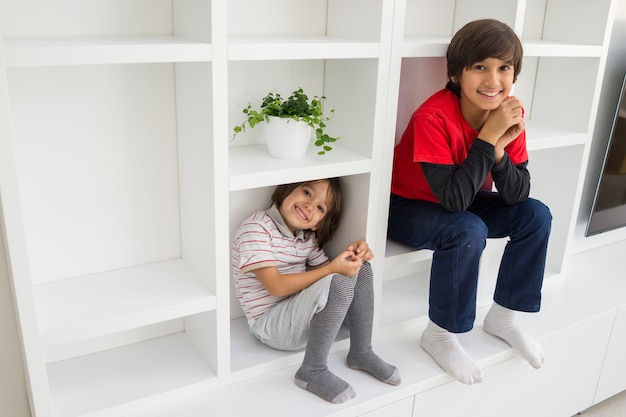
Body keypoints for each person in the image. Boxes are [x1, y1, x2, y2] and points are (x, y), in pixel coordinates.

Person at [388, 19, 552, 385]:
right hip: (405, 206)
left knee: (535, 215)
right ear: (456, 74)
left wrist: (497, 152)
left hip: (459, 201)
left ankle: (503, 318)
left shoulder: (511, 115)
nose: (493, 80)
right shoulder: (433, 117)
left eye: (504, 68)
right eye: (480, 67)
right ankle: (440, 334)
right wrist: (490, 137)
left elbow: (517, 193)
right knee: (469, 227)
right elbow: (454, 199)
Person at [232, 178, 401, 403]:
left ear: (317, 224)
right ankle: (312, 370)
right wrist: (333, 269)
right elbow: (275, 286)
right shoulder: (256, 227)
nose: (309, 205)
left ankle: (361, 351)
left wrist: (353, 256)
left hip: (302, 320)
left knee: (361, 269)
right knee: (338, 281)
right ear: (288, 189)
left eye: (320, 207)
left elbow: (330, 275)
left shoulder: (306, 239)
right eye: (307, 193)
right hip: (270, 326)